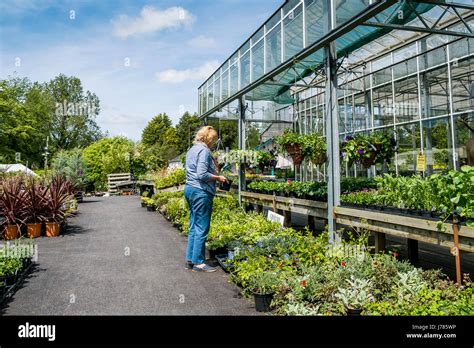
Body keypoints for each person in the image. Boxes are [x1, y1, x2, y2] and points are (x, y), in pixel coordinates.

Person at [184, 126, 227, 272]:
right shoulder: (203, 151)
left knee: (193, 225)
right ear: (209, 138)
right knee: (202, 227)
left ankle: (190, 259)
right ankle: (199, 263)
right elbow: (202, 174)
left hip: (190, 189)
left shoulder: (192, 150)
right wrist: (218, 177)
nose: (214, 143)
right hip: (201, 191)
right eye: (213, 140)